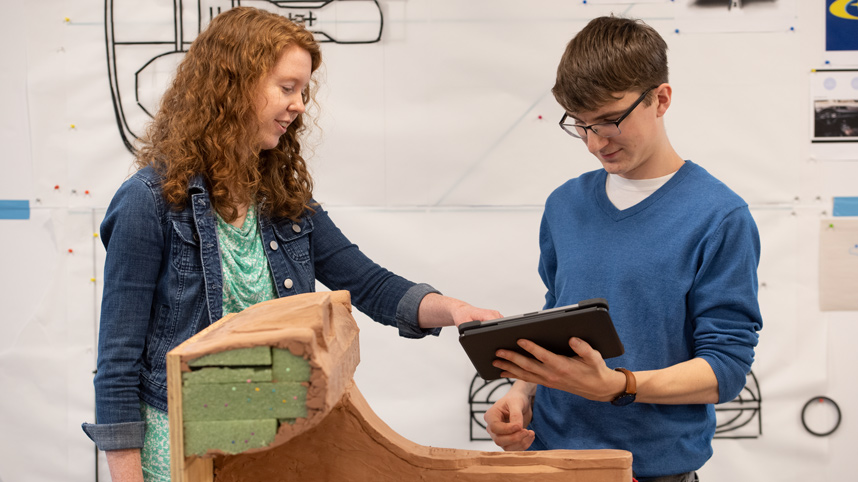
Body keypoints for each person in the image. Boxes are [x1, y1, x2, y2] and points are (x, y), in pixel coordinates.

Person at [81, 7, 500, 481]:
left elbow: (369, 283)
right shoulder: (147, 201)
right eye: (286, 88)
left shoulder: (283, 198)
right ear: (233, 85)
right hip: (179, 453)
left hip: (275, 445)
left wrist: (456, 311)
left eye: (303, 91)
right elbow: (117, 364)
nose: (299, 104)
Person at [483, 16, 762, 482]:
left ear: (661, 99)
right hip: (549, 460)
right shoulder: (565, 204)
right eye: (582, 125)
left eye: (611, 120)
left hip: (651, 469)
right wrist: (521, 392)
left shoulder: (719, 217)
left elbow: (726, 368)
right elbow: (558, 316)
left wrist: (617, 386)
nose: (596, 142)